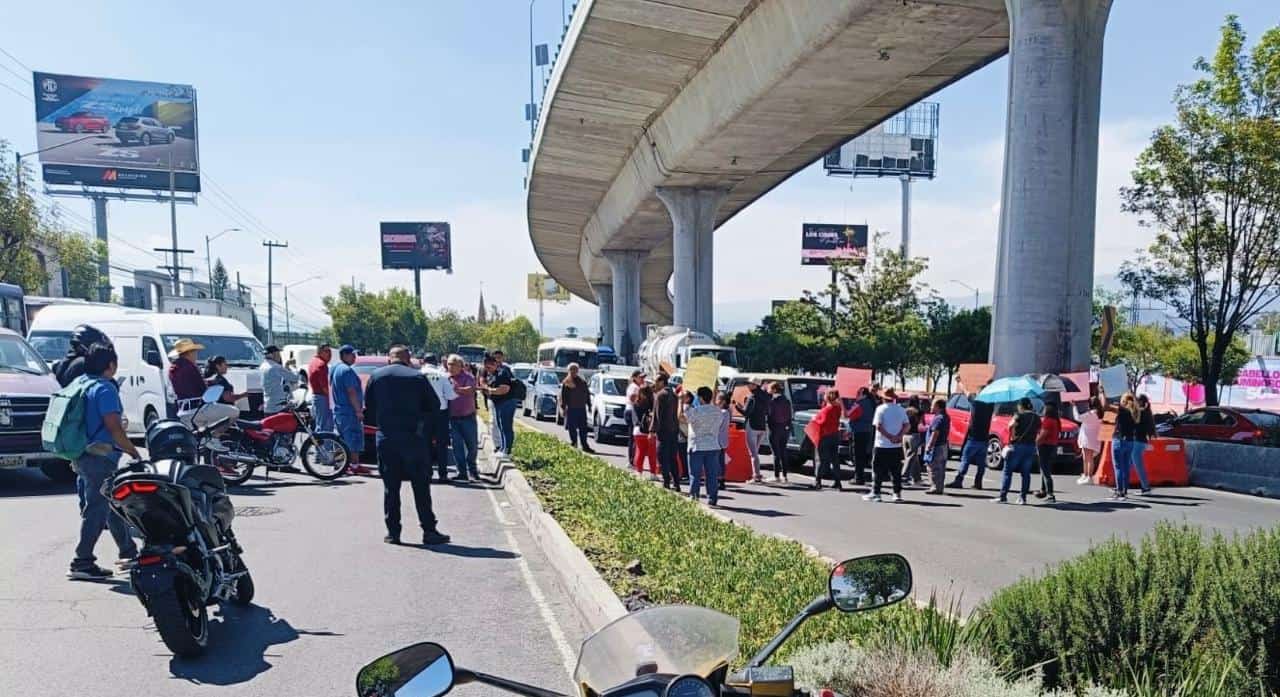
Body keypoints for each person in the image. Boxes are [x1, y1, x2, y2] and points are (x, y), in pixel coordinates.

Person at [364, 345, 450, 546]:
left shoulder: (376, 377)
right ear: (408, 359)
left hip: (386, 439)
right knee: (421, 486)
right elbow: (435, 406)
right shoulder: (416, 377)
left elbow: (369, 408)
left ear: (389, 359)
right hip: (413, 438)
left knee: (390, 488)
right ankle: (429, 531)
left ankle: (393, 533)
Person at [68, 343, 140, 580]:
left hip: (82, 452)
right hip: (99, 456)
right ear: (111, 365)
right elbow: (114, 427)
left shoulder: (81, 383)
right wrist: (133, 451)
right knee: (98, 508)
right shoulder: (105, 389)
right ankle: (82, 561)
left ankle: (129, 553)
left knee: (111, 504)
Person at [171, 338, 239, 432]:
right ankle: (215, 437)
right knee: (235, 412)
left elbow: (189, 385)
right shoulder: (191, 367)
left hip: (182, 410)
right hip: (198, 409)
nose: (196, 355)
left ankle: (208, 440)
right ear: (189, 353)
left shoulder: (173, 368)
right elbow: (203, 390)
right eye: (195, 352)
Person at [331, 345, 371, 476]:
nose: (355, 357)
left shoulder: (335, 368)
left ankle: (340, 463)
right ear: (344, 355)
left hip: (340, 410)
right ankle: (353, 465)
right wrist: (358, 410)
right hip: (349, 410)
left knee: (341, 439)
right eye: (352, 354)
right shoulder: (347, 371)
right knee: (352, 438)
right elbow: (351, 392)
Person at [681, 386, 724, 506]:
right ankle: (712, 498)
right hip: (713, 445)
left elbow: (683, 417)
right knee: (711, 474)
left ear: (700, 398)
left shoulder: (695, 411)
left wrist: (682, 401)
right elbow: (719, 423)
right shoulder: (717, 411)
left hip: (697, 446)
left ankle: (694, 496)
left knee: (695, 473)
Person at [865, 387, 910, 502]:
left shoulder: (880, 409)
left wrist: (890, 437)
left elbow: (879, 426)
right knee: (896, 471)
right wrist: (898, 436)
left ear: (883, 398)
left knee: (878, 470)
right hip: (896, 446)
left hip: (882, 445)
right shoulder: (901, 410)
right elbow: (906, 425)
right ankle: (897, 493)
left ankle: (876, 492)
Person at [993, 397, 1040, 505]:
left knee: (1007, 472)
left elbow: (1010, 426)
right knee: (1026, 473)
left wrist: (1013, 436)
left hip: (1017, 445)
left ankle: (1003, 496)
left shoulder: (1019, 415)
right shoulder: (1036, 418)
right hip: (1030, 447)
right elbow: (1038, 432)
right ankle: (1022, 498)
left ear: (1021, 406)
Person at [420, 353, 458, 482]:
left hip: (423, 414)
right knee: (442, 445)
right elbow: (451, 396)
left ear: (423, 361)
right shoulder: (443, 375)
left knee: (424, 444)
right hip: (440, 413)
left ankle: (427, 473)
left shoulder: (418, 374)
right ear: (436, 362)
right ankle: (443, 474)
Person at [949, 387, 993, 490]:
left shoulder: (976, 403)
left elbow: (967, 392)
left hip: (973, 438)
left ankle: (958, 480)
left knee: (965, 460)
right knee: (981, 464)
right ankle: (978, 483)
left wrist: (960, 383)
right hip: (984, 439)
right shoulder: (991, 404)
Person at [445, 354, 480, 481]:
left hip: (467, 417)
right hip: (453, 419)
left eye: (453, 364)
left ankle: (473, 471)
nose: (450, 367)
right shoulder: (446, 378)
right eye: (449, 364)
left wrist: (456, 389)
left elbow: (471, 390)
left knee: (472, 446)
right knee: (457, 446)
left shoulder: (468, 377)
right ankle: (462, 472)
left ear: (461, 365)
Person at [480, 354, 519, 457]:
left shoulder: (502, 373)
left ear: (495, 365)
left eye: (489, 367)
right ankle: (502, 447)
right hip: (499, 402)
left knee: (506, 426)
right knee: (500, 425)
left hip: (507, 402)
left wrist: (490, 391)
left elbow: (504, 389)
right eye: (486, 368)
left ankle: (507, 450)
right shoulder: (493, 374)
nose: (487, 370)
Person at [806, 390, 845, 491]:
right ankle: (838, 482)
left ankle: (817, 482)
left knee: (820, 459)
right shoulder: (837, 408)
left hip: (824, 436)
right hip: (834, 435)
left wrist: (815, 419)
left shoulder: (826, 410)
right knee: (835, 459)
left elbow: (822, 422)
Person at [650, 373, 681, 491]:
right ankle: (676, 483)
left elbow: (657, 415)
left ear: (662, 382)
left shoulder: (660, 395)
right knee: (673, 457)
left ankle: (666, 481)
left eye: (657, 381)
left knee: (662, 457)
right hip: (674, 430)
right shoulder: (674, 395)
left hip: (663, 431)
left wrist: (652, 430)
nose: (655, 383)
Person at [737, 378, 770, 483]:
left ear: (755, 385)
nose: (747, 386)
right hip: (762, 426)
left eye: (749, 384)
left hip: (752, 426)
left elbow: (746, 413)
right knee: (756, 452)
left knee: (753, 453)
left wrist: (737, 407)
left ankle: (756, 476)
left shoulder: (752, 397)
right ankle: (756, 473)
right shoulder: (766, 396)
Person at [1110, 393, 1141, 501]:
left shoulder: (1122, 411)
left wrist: (1103, 393)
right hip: (1130, 441)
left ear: (1123, 401)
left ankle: (1119, 491)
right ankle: (1125, 490)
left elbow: (1108, 406)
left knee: (1118, 467)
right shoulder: (1135, 412)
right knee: (1126, 467)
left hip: (1119, 439)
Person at [559, 363, 594, 453]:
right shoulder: (566, 382)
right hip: (571, 408)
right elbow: (563, 396)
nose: (574, 371)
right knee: (572, 427)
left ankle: (584, 445)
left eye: (575, 369)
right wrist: (563, 408)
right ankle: (574, 442)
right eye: (572, 369)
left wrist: (589, 405)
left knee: (583, 428)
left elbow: (587, 394)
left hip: (581, 408)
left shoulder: (582, 382)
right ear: (569, 371)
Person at [260, 345, 301, 415]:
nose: (279, 356)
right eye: (278, 353)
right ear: (272, 354)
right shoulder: (276, 367)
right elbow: (295, 377)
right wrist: (294, 367)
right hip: (279, 407)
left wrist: (286, 366)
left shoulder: (263, 366)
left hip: (268, 406)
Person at [849, 387, 877, 485]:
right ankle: (860, 476)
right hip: (867, 431)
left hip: (858, 431)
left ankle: (858, 477)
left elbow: (849, 414)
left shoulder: (859, 404)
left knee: (857, 455)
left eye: (858, 393)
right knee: (862, 455)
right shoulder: (871, 403)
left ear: (863, 394)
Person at [922, 398, 950, 494]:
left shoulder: (938, 418)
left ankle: (935, 486)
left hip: (936, 446)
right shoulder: (946, 417)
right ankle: (939, 487)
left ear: (938, 407)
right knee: (941, 467)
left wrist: (929, 446)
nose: (931, 407)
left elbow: (935, 433)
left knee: (932, 467)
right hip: (944, 445)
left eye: (933, 405)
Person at [766, 382, 792, 482]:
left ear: (774, 390)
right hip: (784, 428)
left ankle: (776, 475)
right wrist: (788, 426)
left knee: (776, 453)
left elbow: (769, 414)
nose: (768, 390)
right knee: (783, 451)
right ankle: (784, 475)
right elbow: (789, 415)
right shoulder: (786, 400)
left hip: (774, 428)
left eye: (769, 388)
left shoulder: (772, 401)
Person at [1076, 395, 1106, 485]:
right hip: (1094, 437)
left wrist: (1074, 407)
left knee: (1087, 458)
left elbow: (1078, 417)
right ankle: (1086, 475)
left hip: (1087, 438)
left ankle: (1088, 476)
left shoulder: (1092, 414)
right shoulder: (1100, 414)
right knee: (1088, 458)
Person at [1035, 403, 1060, 503]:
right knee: (1045, 468)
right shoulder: (1056, 421)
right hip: (1052, 446)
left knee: (1045, 471)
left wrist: (1036, 442)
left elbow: (1043, 435)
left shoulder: (1048, 421)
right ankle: (1043, 490)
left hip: (1045, 446)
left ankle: (1050, 494)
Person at [632, 384, 658, 478]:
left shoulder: (636, 403)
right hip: (651, 431)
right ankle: (652, 473)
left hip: (638, 430)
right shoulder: (653, 404)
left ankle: (639, 471)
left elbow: (634, 419)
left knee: (640, 452)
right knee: (652, 454)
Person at [307, 344, 334, 433]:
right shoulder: (321, 364)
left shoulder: (313, 361)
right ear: (319, 352)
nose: (329, 354)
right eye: (326, 351)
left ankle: (319, 445)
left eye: (330, 351)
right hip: (322, 397)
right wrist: (332, 400)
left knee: (320, 424)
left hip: (317, 397)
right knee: (326, 426)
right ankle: (326, 446)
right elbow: (324, 386)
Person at [1133, 394, 1156, 495]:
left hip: (1137, 441)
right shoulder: (1147, 412)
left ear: (1140, 402)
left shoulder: (1140, 412)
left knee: (1138, 465)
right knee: (1136, 465)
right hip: (1142, 441)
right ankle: (1144, 487)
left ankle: (1145, 487)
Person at [624, 369, 645, 465]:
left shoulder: (637, 386)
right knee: (633, 437)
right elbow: (632, 397)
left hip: (632, 411)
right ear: (635, 378)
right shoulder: (634, 387)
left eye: (643, 377)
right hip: (632, 411)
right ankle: (632, 461)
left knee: (634, 436)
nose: (643, 379)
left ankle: (633, 460)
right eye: (640, 377)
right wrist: (640, 398)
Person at [902, 397, 924, 486]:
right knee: (911, 457)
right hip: (914, 435)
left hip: (905, 435)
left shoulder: (904, 411)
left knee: (913, 458)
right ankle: (904, 476)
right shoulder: (918, 412)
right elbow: (921, 423)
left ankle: (917, 478)